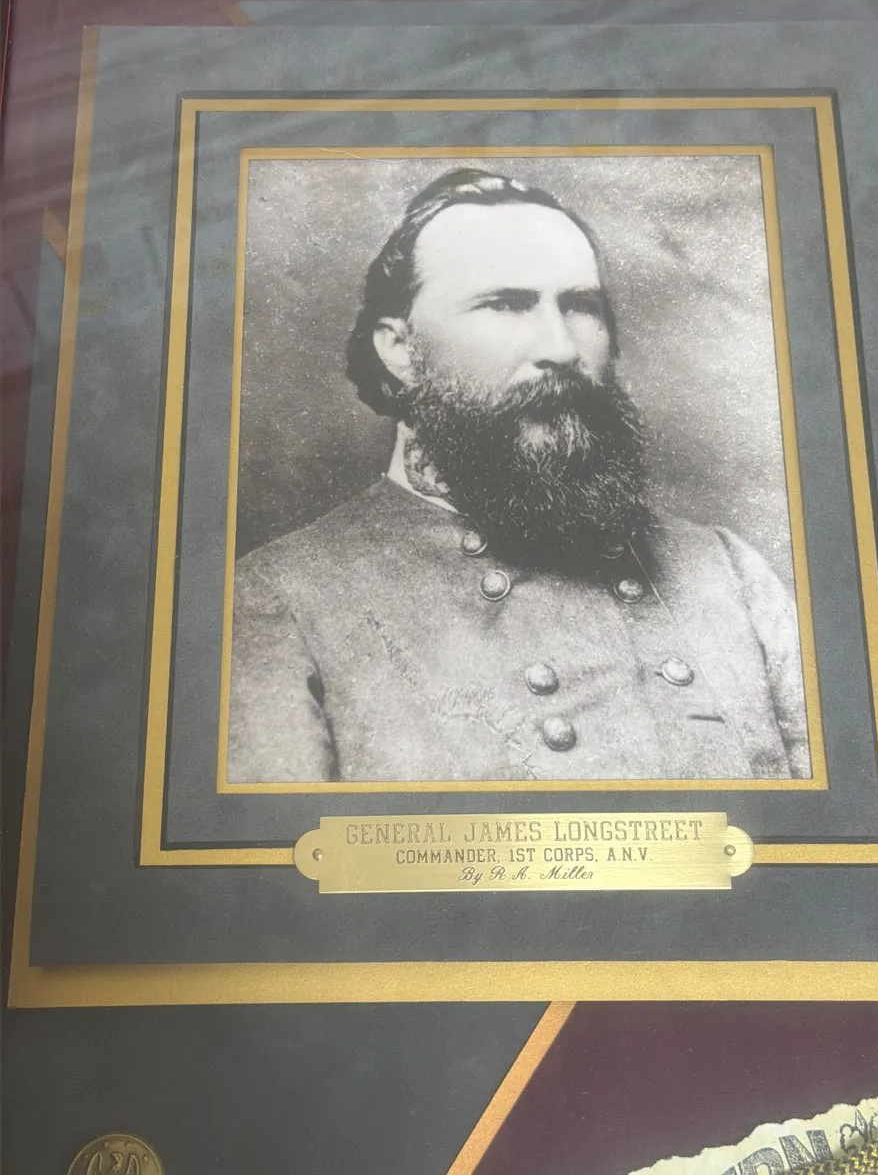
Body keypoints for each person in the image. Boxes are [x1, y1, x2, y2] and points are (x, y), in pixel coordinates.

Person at [228, 168, 810, 784]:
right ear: (400, 348)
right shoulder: (280, 601)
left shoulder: (727, 573)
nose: (560, 347)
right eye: (505, 304)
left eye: (581, 306)